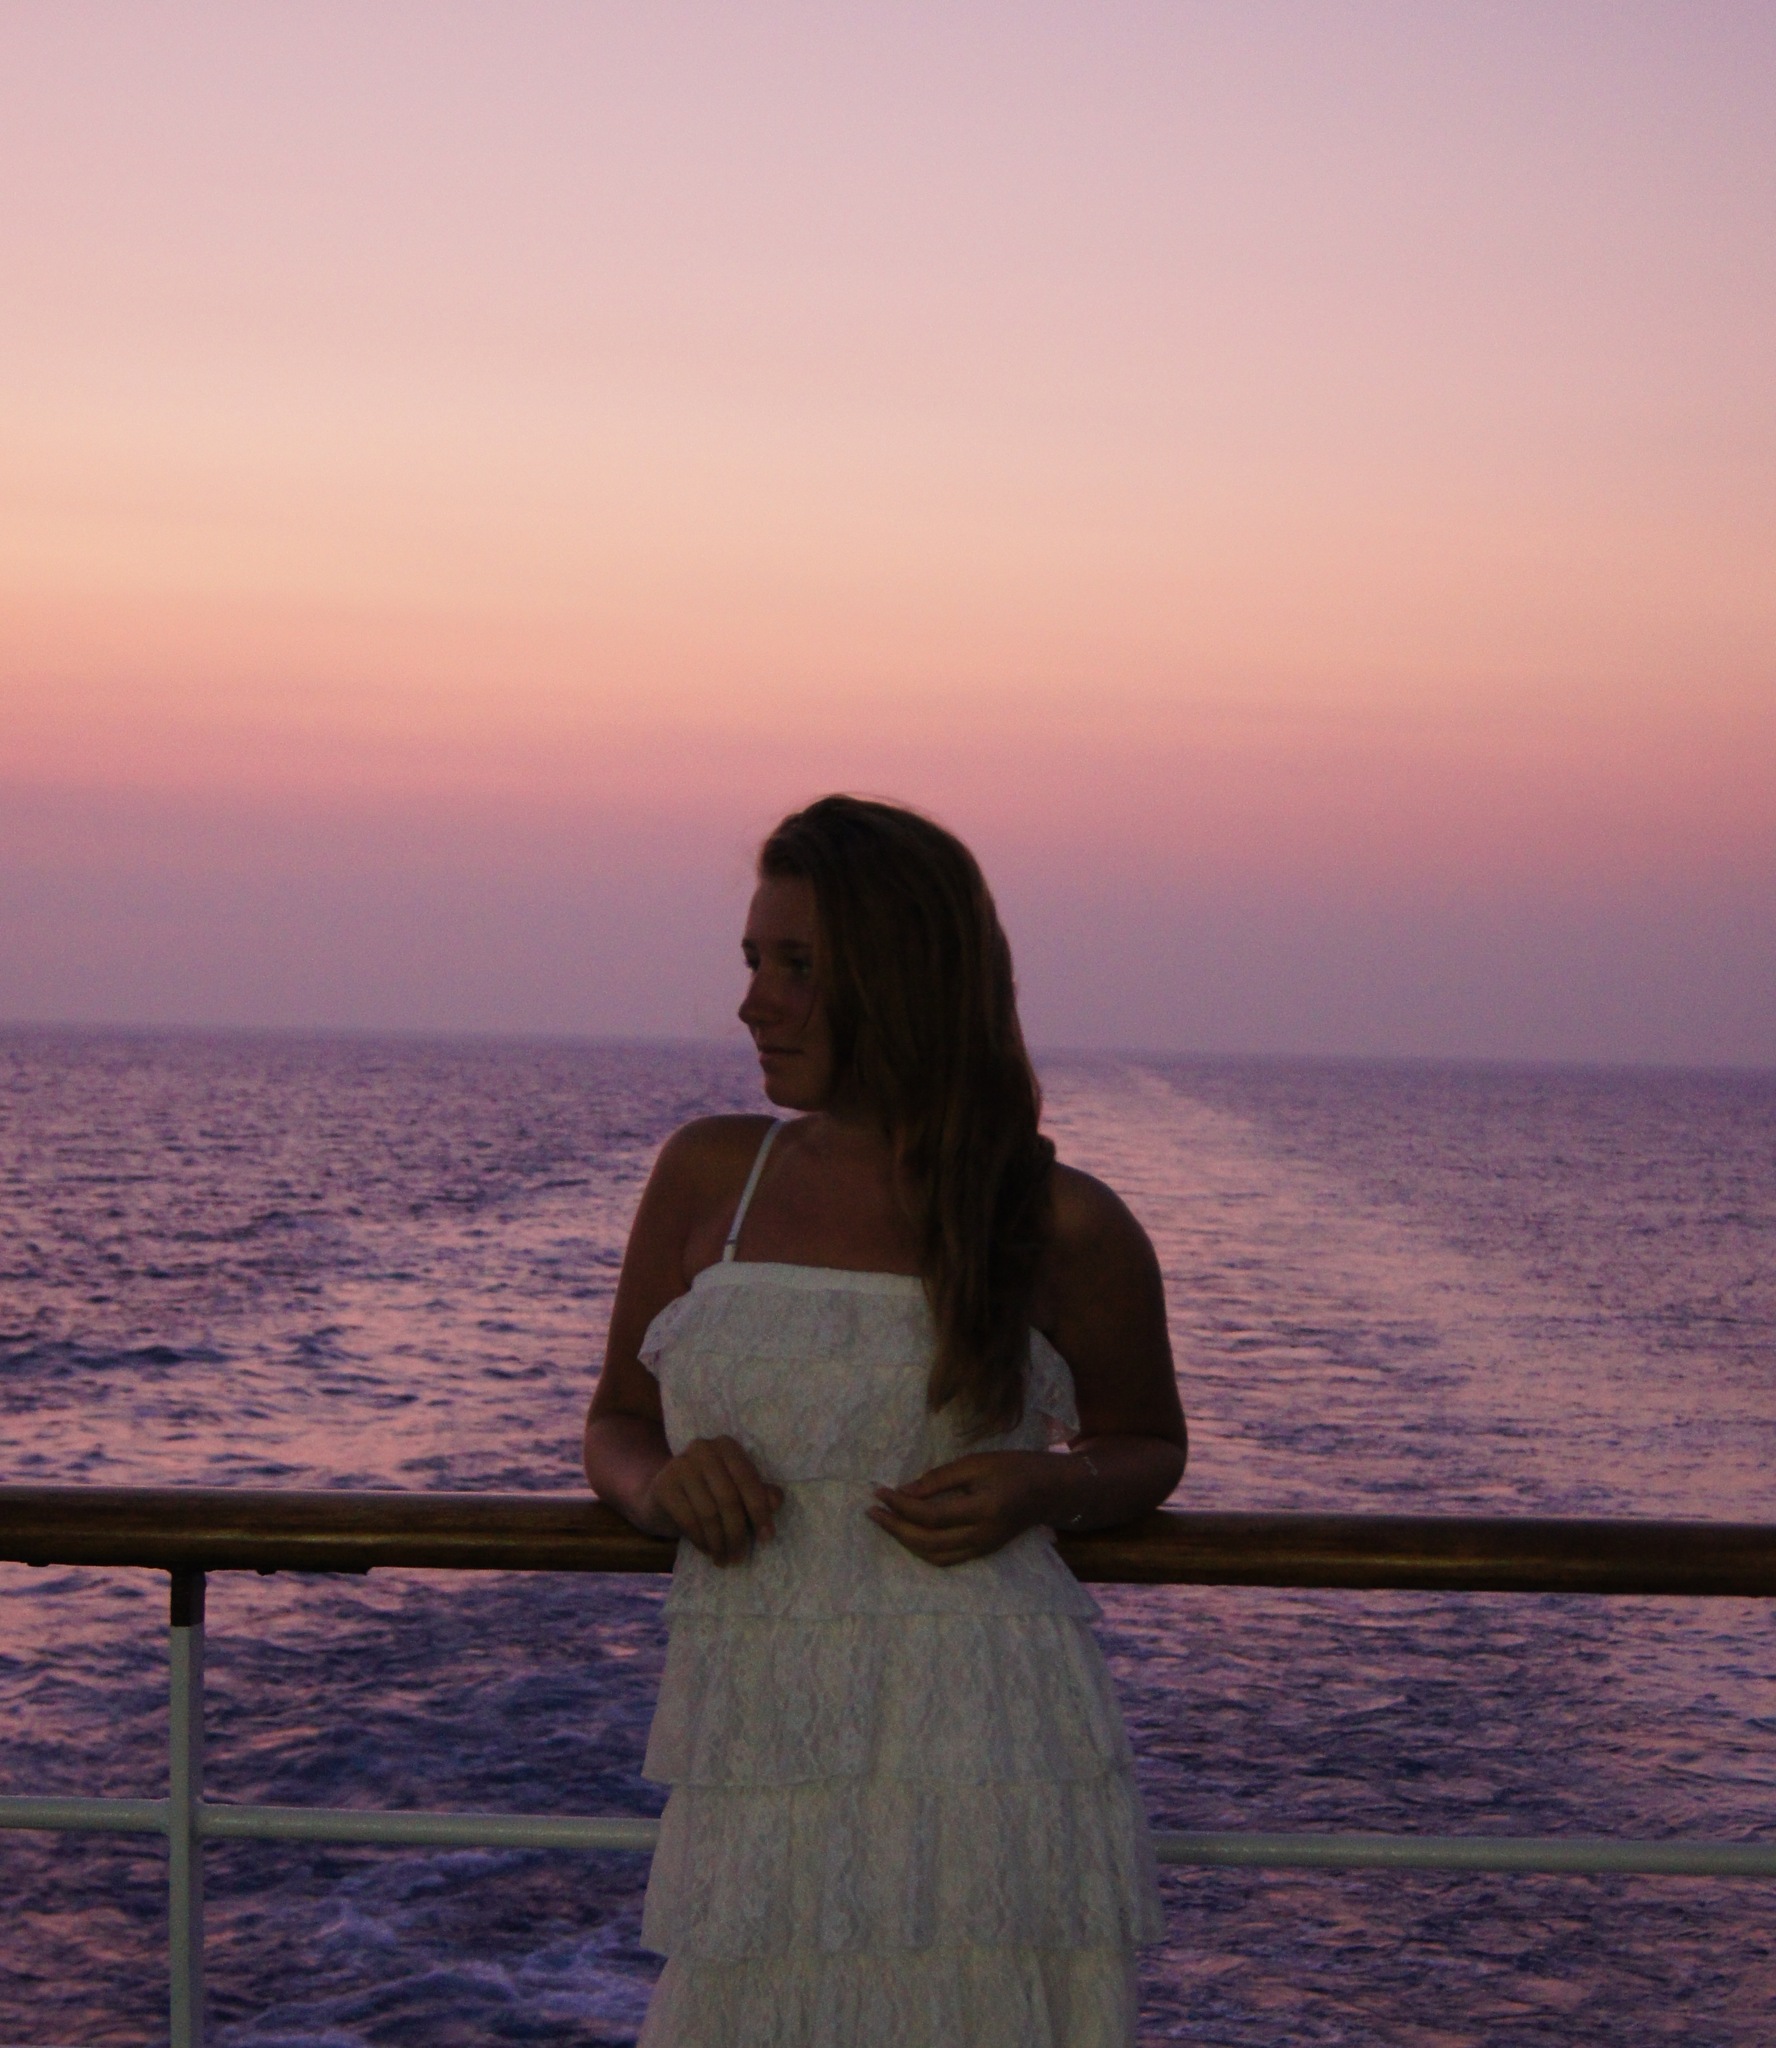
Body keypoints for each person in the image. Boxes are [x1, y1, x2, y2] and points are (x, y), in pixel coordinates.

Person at [584, 795, 1187, 2048]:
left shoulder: (1061, 1219)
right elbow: (618, 1419)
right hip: (762, 1748)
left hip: (988, 1752)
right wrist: (656, 1487)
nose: (754, 1001)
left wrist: (1049, 1485)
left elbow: (1147, 1441)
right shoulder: (710, 1171)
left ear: (908, 977)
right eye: (754, 960)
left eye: (798, 966)